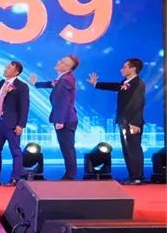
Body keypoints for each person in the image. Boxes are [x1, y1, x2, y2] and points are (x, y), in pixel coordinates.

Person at [89, 57, 146, 185]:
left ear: (133, 69)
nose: (122, 70)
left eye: (125, 67)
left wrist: (135, 123)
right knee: (128, 150)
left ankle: (137, 177)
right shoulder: (127, 82)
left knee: (133, 150)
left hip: (131, 123)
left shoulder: (138, 84)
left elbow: (138, 104)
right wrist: (96, 84)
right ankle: (133, 176)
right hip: (124, 121)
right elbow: (116, 86)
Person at [31, 55, 79, 180]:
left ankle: (71, 176)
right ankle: (70, 174)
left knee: (67, 149)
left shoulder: (65, 80)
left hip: (66, 120)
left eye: (63, 62)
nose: (59, 62)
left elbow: (63, 102)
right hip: (67, 118)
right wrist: (36, 83)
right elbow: (51, 84)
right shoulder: (63, 78)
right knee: (67, 148)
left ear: (68, 68)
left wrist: (60, 120)